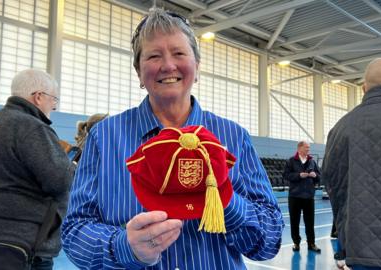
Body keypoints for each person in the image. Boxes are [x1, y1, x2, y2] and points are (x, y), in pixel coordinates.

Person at [61, 8, 283, 269]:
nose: (168, 65)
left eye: (179, 53)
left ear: (197, 67)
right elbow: (75, 232)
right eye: (154, 56)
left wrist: (224, 199)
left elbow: (270, 239)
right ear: (139, 73)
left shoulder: (234, 137)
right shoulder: (104, 138)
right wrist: (125, 246)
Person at [0, 69, 75, 270]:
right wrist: (72, 167)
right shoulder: (31, 126)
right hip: (20, 245)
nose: (55, 105)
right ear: (38, 96)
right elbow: (60, 181)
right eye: (53, 99)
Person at [323, 57, 381, 270]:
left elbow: (332, 186)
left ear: (364, 88)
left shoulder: (340, 128)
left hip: (361, 251)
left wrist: (344, 245)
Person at [283, 141, 321, 253]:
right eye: (306, 148)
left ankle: (311, 243)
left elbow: (319, 176)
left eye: (309, 148)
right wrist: (299, 175)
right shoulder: (291, 161)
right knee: (294, 221)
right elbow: (286, 175)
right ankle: (296, 243)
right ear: (299, 148)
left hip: (309, 196)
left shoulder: (312, 161)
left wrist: (315, 176)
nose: (308, 150)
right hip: (295, 196)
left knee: (310, 222)